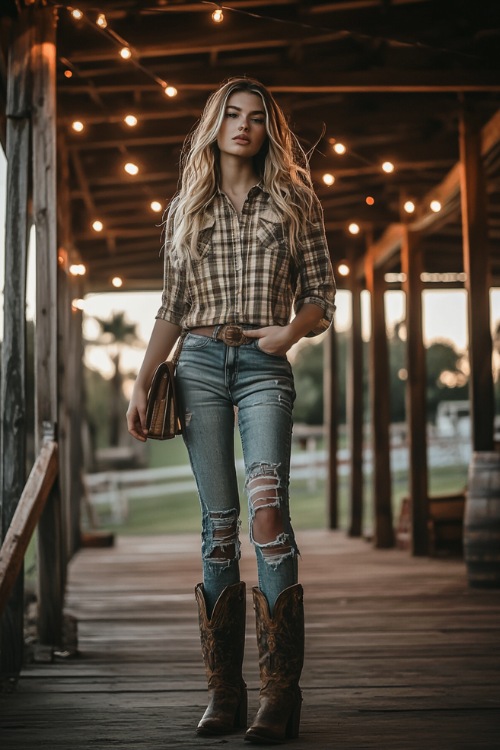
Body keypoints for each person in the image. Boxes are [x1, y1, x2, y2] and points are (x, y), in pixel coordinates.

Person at [126, 76, 335, 744]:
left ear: (267, 129)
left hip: (263, 366)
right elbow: (172, 307)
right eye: (232, 115)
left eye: (255, 117)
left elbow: (322, 297)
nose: (244, 126)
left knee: (268, 512)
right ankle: (225, 692)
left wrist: (289, 334)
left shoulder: (295, 201)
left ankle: (281, 694)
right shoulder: (185, 206)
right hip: (197, 368)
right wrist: (141, 379)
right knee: (219, 527)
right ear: (215, 124)